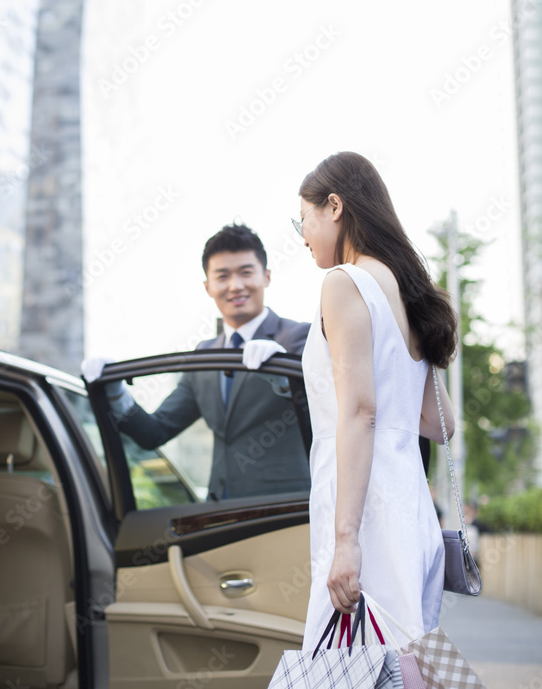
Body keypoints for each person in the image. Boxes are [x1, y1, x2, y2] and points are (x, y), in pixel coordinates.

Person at [296, 152, 457, 646]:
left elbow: (360, 412)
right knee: (404, 678)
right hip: (408, 504)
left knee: (343, 685)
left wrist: (346, 540)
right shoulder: (410, 293)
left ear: (335, 207)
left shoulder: (343, 283)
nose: (302, 234)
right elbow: (441, 423)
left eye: (303, 218)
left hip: (365, 509)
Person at [82, 223, 311, 500]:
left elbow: (326, 409)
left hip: (287, 509)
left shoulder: (298, 337)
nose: (235, 286)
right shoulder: (204, 355)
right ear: (208, 286)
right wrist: (116, 392)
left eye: (246, 273)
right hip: (217, 512)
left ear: (267, 277)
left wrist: (285, 381)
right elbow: (155, 432)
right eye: (222, 276)